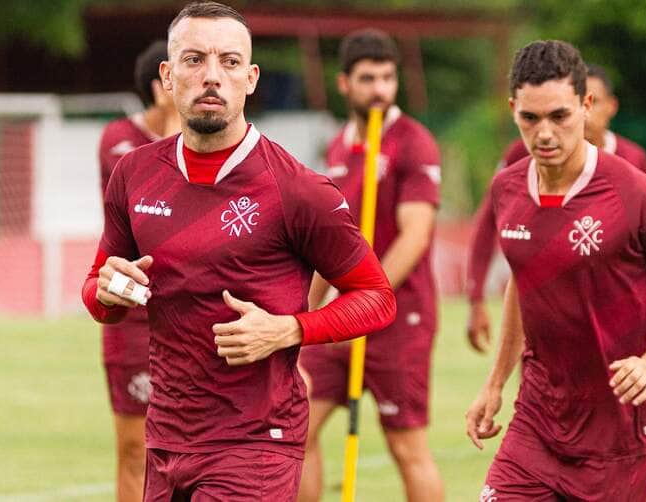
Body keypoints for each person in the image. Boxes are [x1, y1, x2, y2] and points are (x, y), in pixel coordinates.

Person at [81, 3, 396, 500]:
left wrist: (289, 328)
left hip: (256, 443)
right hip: (166, 439)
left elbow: (377, 297)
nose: (212, 76)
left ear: (250, 78)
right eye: (193, 60)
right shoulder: (133, 173)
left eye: (229, 62)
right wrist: (109, 291)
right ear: (167, 76)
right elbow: (99, 292)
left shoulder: (298, 189)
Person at [465, 40, 646, 501]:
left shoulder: (638, 193)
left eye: (559, 116)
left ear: (586, 106)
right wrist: (496, 382)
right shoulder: (507, 188)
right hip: (537, 422)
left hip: (620, 431)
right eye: (530, 118)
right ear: (512, 110)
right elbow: (524, 284)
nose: (544, 134)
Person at [298, 29, 444, 502]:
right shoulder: (338, 148)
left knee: (406, 447)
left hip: (398, 318)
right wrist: (302, 314)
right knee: (296, 428)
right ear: (345, 84)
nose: (380, 89)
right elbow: (328, 243)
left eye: (387, 77)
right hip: (339, 319)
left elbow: (416, 234)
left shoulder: (414, 143)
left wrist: (364, 298)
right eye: (368, 78)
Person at [466, 63, 646, 353]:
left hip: (615, 320)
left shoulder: (632, 161)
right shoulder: (524, 154)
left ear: (605, 106)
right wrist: (476, 297)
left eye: (594, 101)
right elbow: (488, 220)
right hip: (546, 320)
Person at [96, 39, 180, 502]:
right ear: (160, 85)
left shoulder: (207, 139)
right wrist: (172, 125)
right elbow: (142, 209)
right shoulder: (119, 141)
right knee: (134, 449)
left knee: (191, 451)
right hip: (131, 310)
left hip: (187, 311)